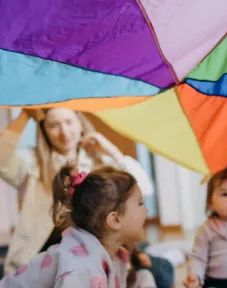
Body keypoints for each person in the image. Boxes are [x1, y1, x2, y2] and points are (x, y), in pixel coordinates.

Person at [0, 108, 153, 275]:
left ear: (81, 124)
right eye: (54, 125)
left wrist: (111, 150)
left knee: (160, 273)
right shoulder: (33, 162)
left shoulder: (99, 161)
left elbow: (144, 189)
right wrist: (25, 116)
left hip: (97, 248)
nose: (64, 132)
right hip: (47, 250)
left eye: (69, 122)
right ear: (44, 130)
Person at [0, 165, 146, 288]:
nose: (145, 210)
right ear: (115, 219)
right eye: (140, 203)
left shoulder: (116, 258)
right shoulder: (83, 269)